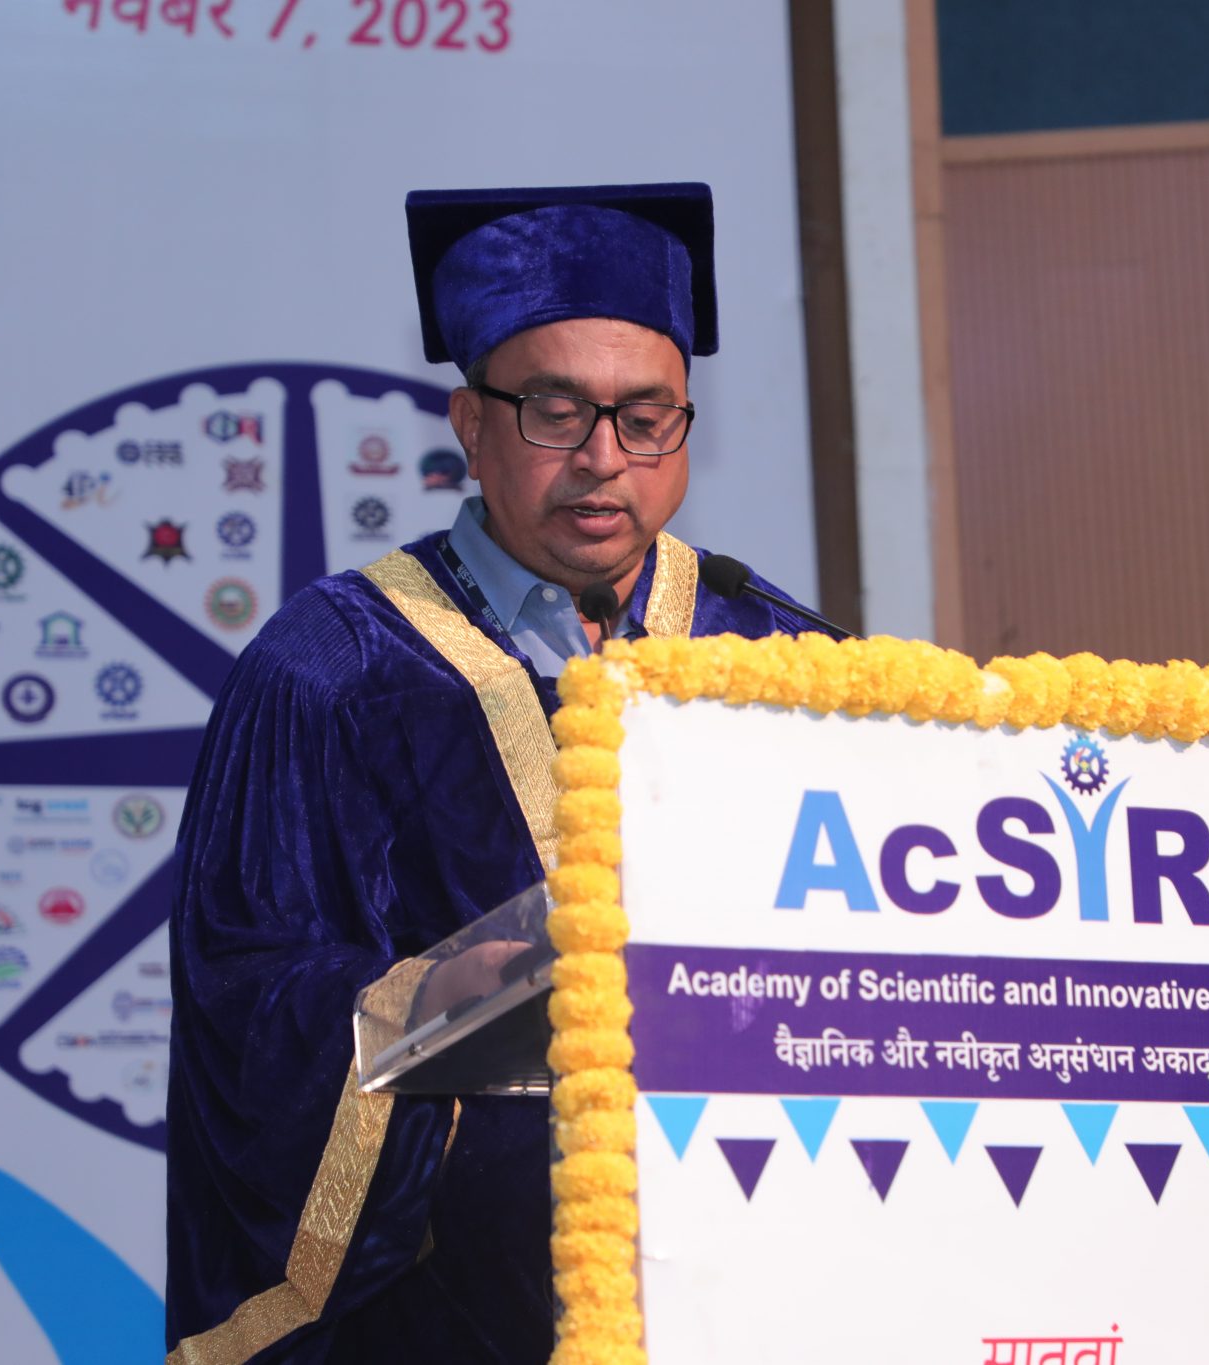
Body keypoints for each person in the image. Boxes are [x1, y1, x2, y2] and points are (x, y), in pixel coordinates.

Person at [164, 183, 812, 1364]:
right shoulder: (330, 669)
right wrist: (453, 1000)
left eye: (645, 418)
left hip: (747, 1276)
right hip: (449, 1315)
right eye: (555, 413)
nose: (602, 461)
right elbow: (241, 996)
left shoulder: (777, 651)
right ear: (470, 424)